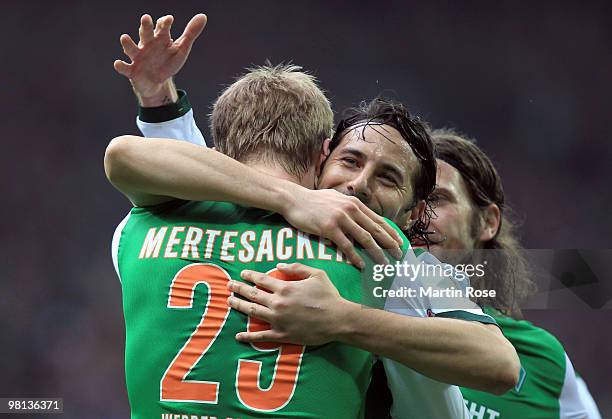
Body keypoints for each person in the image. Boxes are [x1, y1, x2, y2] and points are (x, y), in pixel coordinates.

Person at [110, 13, 520, 418]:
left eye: (387, 177)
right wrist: (294, 200)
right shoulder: (378, 256)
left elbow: (139, 160)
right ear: (323, 155)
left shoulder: (140, 226)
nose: (357, 186)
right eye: (351, 160)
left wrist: (342, 319)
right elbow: (500, 366)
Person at [425, 129, 600, 418]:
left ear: (488, 223)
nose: (420, 213)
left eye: (437, 198)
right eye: (413, 198)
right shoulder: (359, 322)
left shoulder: (545, 363)